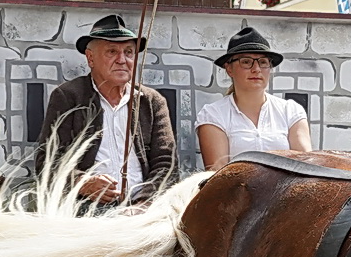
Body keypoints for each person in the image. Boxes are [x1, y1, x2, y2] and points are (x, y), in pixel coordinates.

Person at [34, 13, 177, 206]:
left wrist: (145, 203)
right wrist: (83, 183)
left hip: (144, 209)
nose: (122, 60)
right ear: (90, 58)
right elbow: (47, 161)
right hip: (86, 208)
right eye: (111, 52)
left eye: (128, 52)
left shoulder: (151, 102)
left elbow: (166, 163)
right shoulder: (68, 97)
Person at [196, 28, 312, 169]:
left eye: (263, 62)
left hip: (285, 190)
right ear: (229, 69)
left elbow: (306, 167)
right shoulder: (213, 115)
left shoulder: (291, 111)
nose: (256, 69)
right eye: (246, 62)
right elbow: (217, 174)